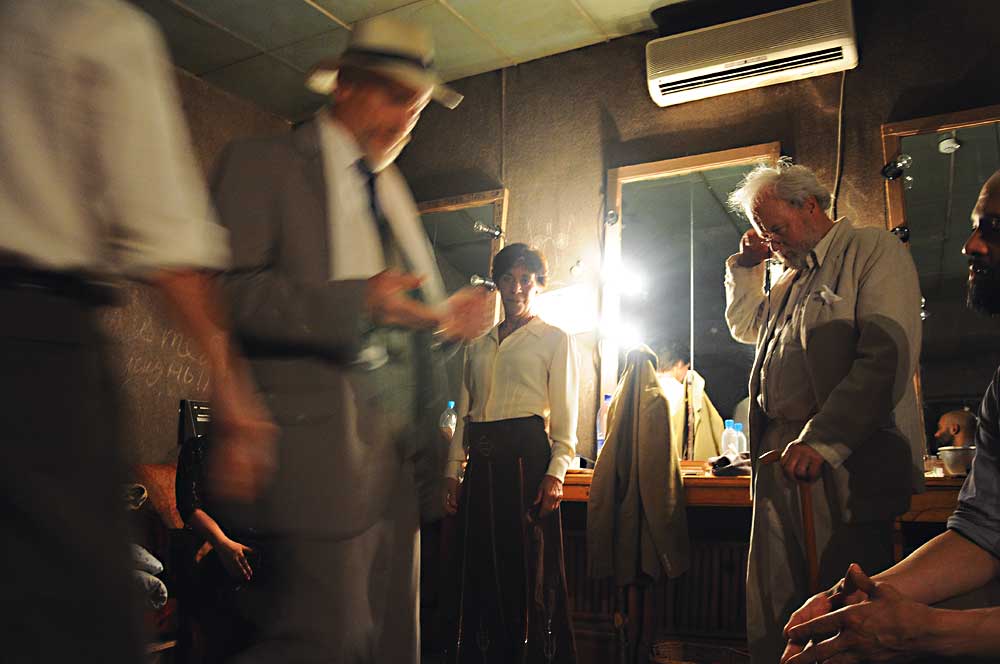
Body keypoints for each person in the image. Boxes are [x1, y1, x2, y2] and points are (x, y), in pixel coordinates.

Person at [0, 2, 275, 662]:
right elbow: (167, 236)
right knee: (77, 621)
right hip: (37, 345)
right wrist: (233, 385)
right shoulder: (93, 23)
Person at [212, 15, 491, 663]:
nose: (403, 122)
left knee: (395, 647)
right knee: (319, 646)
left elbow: (398, 328)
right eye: (393, 97)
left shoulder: (393, 190)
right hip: (313, 457)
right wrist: (355, 301)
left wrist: (445, 324)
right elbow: (226, 294)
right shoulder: (264, 163)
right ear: (342, 85)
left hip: (399, 466)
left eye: (416, 109)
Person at [780, 169, 1000, 664]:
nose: (970, 246)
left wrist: (927, 630)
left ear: (810, 208)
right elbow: (985, 532)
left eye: (993, 230)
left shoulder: (874, 251)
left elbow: (881, 367)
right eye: (975, 227)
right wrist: (860, 599)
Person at [724, 160, 924, 664]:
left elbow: (886, 357)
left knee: (843, 601)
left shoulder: (872, 250)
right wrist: (748, 266)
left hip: (843, 456)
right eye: (762, 232)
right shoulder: (789, 281)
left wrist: (825, 438)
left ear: (809, 206)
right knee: (777, 595)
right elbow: (745, 325)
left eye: (775, 228)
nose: (770, 241)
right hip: (780, 458)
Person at [442, 243, 580, 663]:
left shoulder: (556, 340)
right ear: (498, 284)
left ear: (538, 285)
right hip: (482, 464)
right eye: (508, 278)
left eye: (525, 279)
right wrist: (452, 470)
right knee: (477, 567)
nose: (516, 287)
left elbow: (565, 421)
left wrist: (556, 473)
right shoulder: (477, 345)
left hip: (527, 463)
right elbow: (463, 412)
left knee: (527, 569)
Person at [654, 340, 725, 460]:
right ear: (679, 364)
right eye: (687, 368)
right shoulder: (681, 393)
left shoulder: (646, 389)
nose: (686, 373)